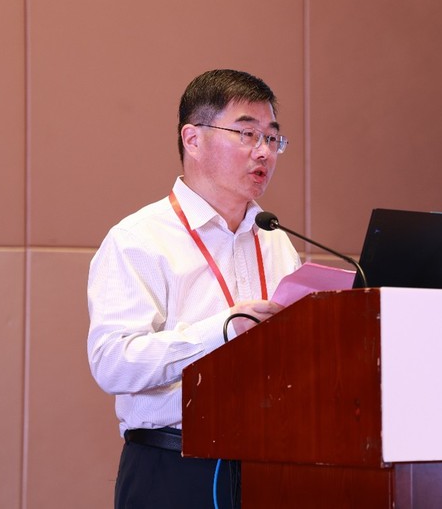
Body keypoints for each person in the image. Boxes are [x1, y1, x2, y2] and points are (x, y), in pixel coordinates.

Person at [87, 69, 301, 509]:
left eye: (272, 138)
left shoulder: (275, 239)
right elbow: (112, 362)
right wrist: (223, 331)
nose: (263, 151)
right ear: (193, 139)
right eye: (247, 134)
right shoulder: (139, 239)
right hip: (173, 469)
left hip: (270, 466)